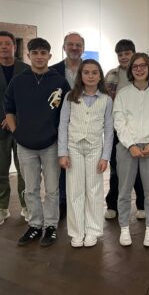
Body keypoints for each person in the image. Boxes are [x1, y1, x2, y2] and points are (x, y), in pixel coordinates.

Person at [4, 38, 70, 246]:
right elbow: (9, 110)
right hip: (25, 145)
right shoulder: (18, 81)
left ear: (50, 56)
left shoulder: (59, 81)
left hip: (50, 144)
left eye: (44, 53)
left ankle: (50, 226)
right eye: (35, 53)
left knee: (52, 189)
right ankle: (34, 225)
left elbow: (66, 113)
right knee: (30, 188)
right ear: (28, 56)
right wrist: (17, 133)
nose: (39, 56)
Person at [58, 59, 113, 247]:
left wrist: (105, 156)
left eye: (94, 72)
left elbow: (108, 129)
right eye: (86, 72)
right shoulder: (70, 97)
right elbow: (63, 125)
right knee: (74, 190)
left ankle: (92, 230)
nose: (90, 76)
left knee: (94, 190)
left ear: (100, 76)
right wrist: (62, 152)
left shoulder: (106, 99)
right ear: (80, 75)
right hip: (73, 148)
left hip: (95, 149)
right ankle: (76, 231)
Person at [114, 53, 149, 247]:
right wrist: (131, 145)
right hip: (127, 147)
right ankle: (124, 227)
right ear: (130, 70)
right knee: (124, 190)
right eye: (135, 66)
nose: (139, 69)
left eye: (143, 66)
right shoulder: (123, 94)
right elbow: (119, 122)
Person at [103, 39, 145, 220]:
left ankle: (142, 205)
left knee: (140, 169)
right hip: (116, 129)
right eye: (120, 54)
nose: (124, 57)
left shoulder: (145, 75)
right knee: (116, 169)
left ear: (134, 53)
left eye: (127, 53)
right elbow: (105, 101)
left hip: (140, 130)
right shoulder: (111, 75)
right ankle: (113, 204)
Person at [52, 32, 84, 220]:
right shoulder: (53, 70)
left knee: (83, 167)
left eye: (78, 45)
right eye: (70, 44)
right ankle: (63, 202)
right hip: (60, 127)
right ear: (64, 47)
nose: (74, 48)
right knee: (63, 165)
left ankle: (80, 202)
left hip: (84, 126)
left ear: (83, 48)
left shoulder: (90, 69)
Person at [0, 31, 29, 225]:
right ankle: (2, 208)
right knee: (1, 170)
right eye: (0, 43)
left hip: (22, 128)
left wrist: (13, 118)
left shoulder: (26, 70)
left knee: (25, 170)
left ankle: (27, 206)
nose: (3, 46)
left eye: (7, 43)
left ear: (14, 46)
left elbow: (30, 100)